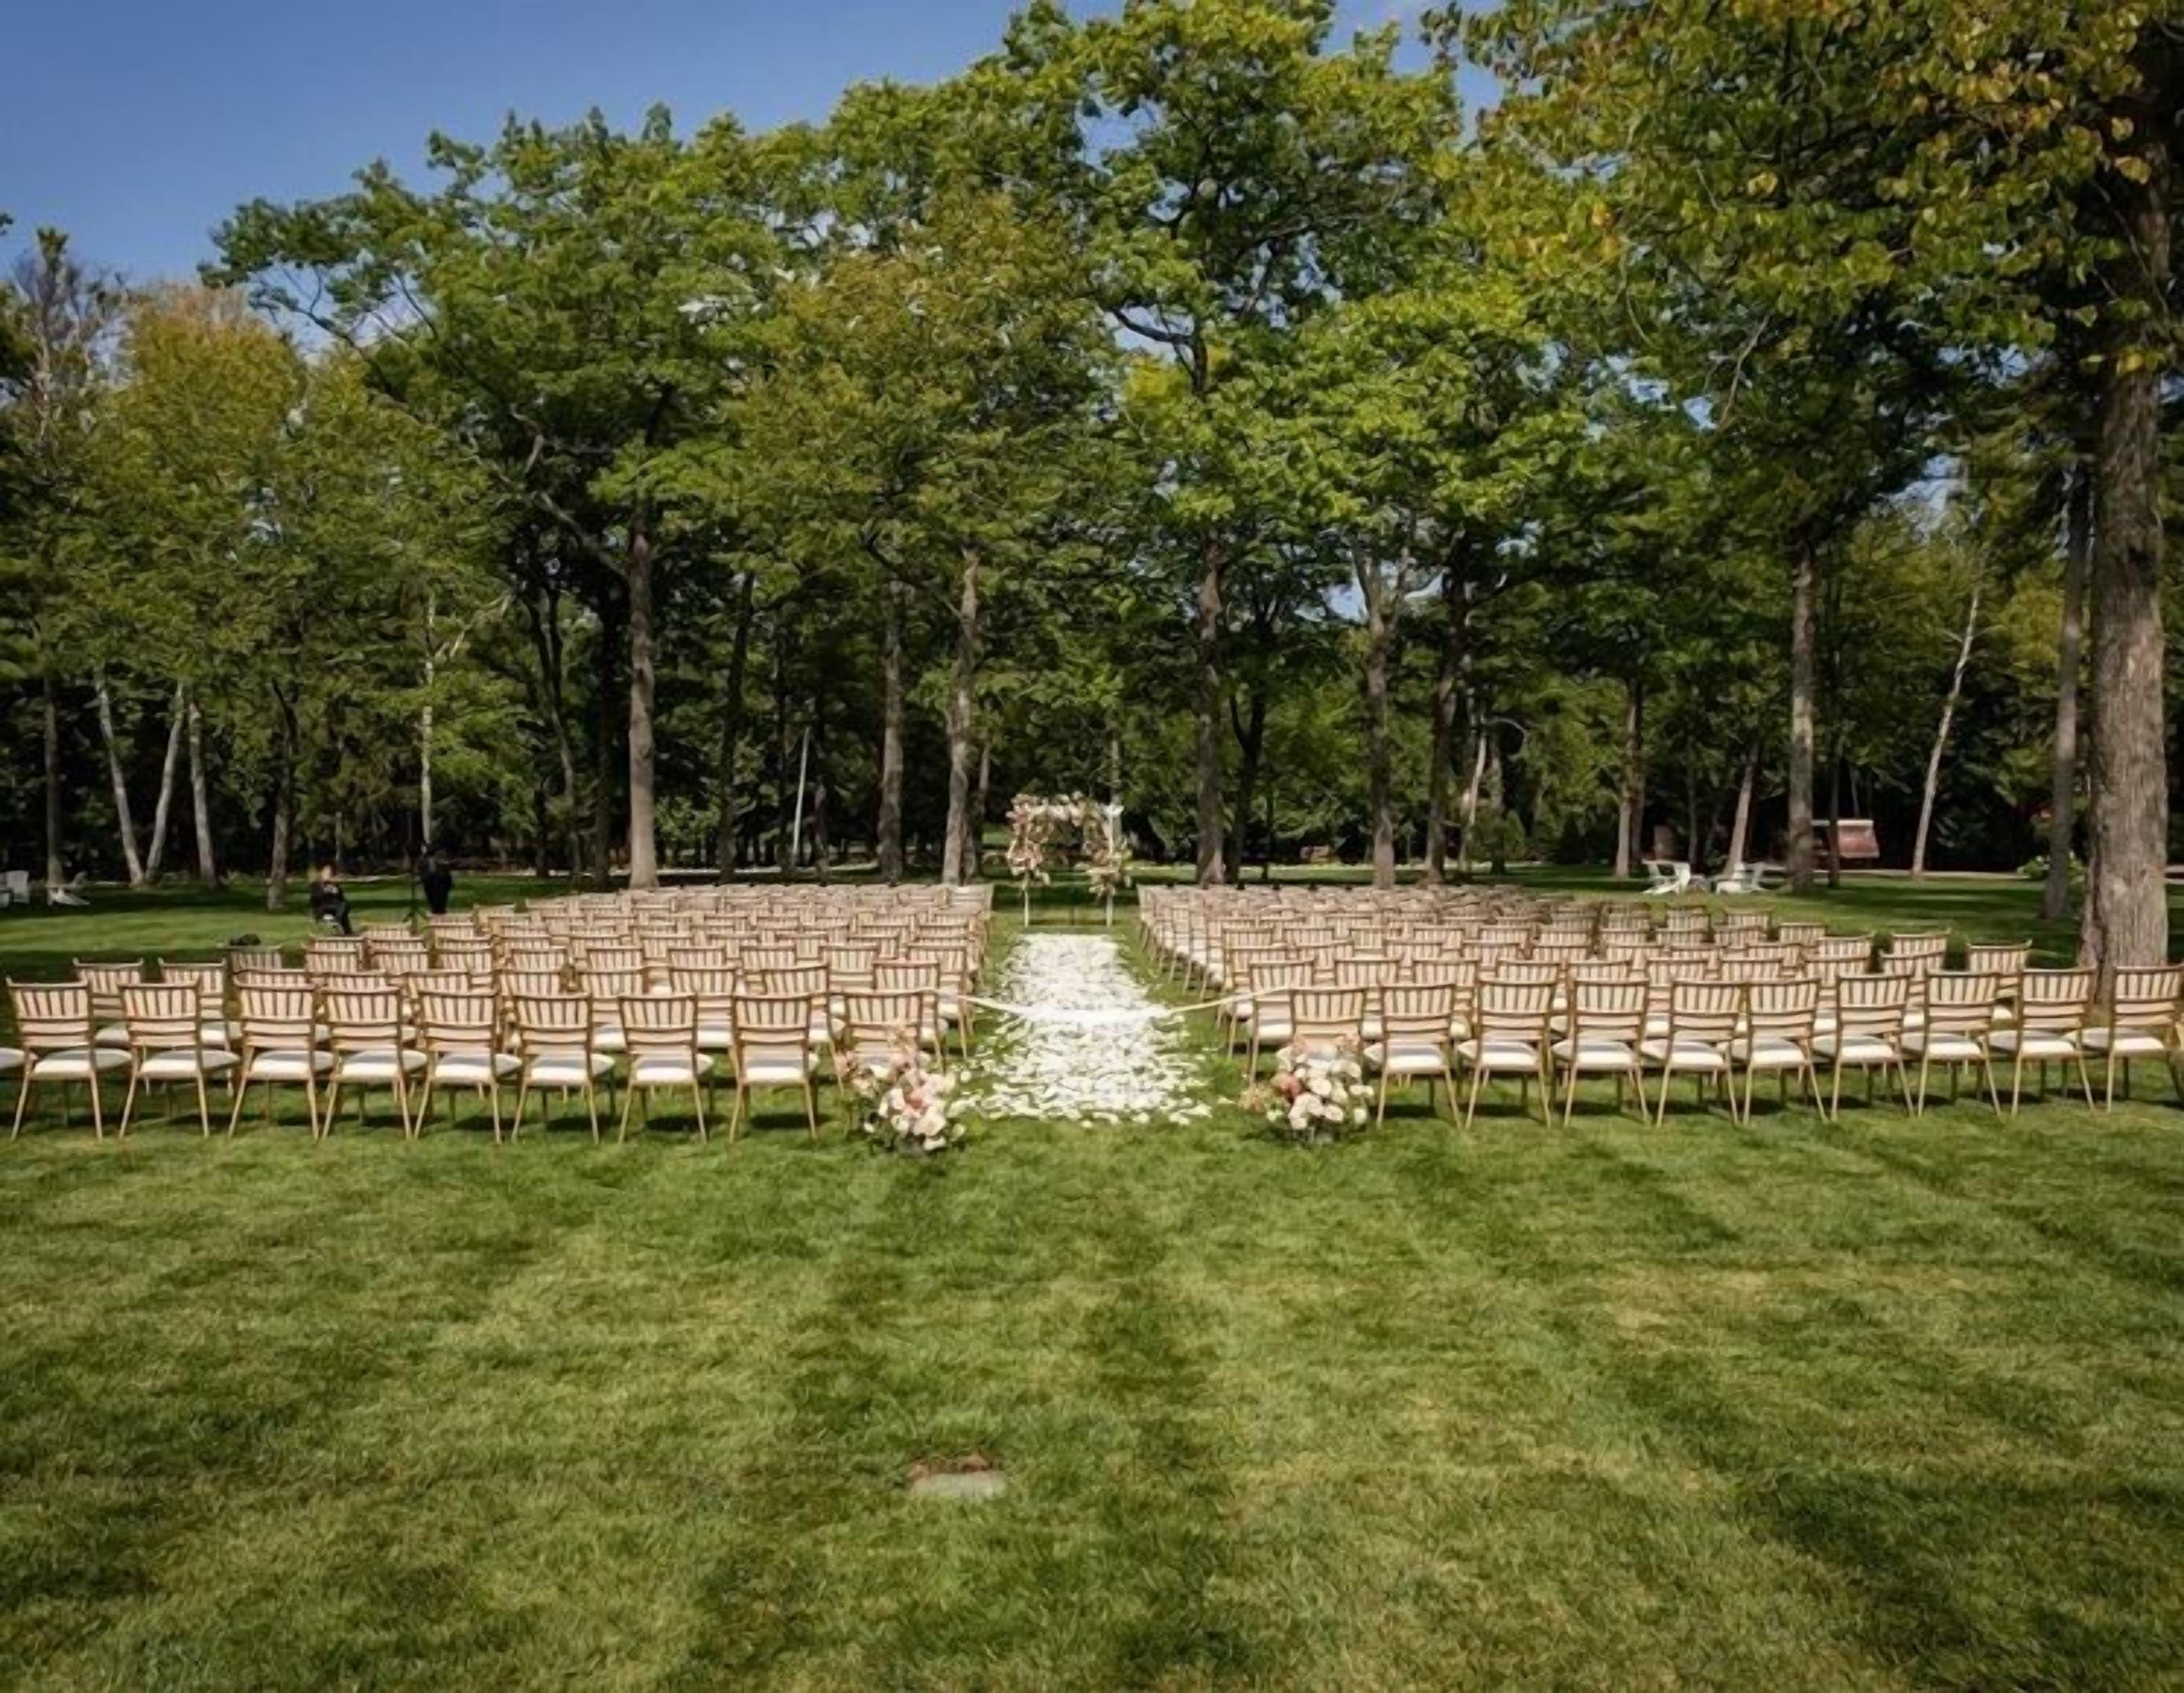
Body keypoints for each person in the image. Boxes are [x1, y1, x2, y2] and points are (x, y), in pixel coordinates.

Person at [309, 865, 353, 936]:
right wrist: (324, 891)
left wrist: (337, 891)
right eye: (327, 873)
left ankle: (345, 929)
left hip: (335, 908)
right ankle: (344, 927)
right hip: (322, 908)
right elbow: (314, 900)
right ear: (321, 874)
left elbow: (342, 898)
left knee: (344, 905)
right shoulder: (316, 885)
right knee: (342, 910)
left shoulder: (334, 884)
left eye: (330, 873)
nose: (329, 875)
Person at [419, 845, 455, 917]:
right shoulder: (424, 860)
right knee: (432, 899)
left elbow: (446, 871)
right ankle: (435, 911)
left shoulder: (440, 857)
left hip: (441, 880)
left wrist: (449, 883)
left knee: (441, 899)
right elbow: (422, 871)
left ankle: (441, 911)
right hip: (430, 881)